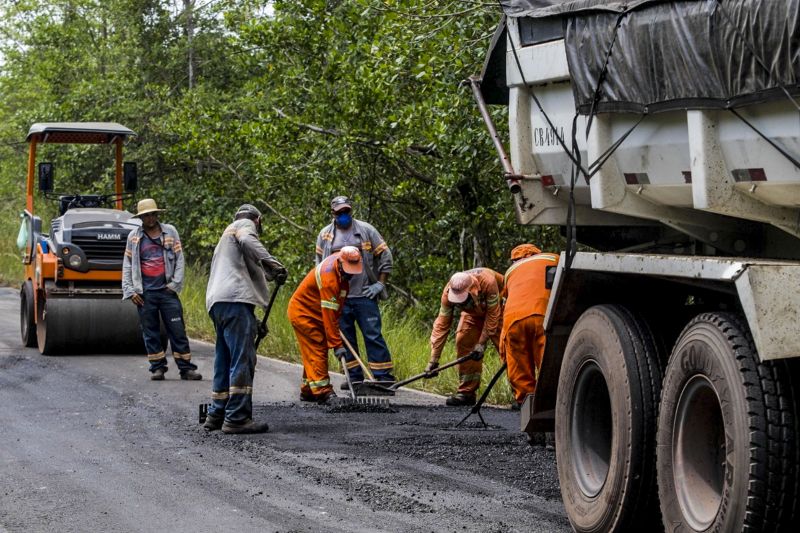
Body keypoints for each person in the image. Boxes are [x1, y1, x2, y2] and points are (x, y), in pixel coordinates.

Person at [203, 204, 288, 434]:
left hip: (218, 303)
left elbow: (250, 271)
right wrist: (274, 263)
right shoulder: (243, 226)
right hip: (234, 302)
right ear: (258, 220)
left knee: (225, 358)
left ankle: (216, 413)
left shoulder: (226, 239)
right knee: (243, 358)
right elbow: (250, 242)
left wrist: (253, 322)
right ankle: (237, 417)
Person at [315, 195, 395, 387]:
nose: (344, 215)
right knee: (346, 337)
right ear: (332, 213)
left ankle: (383, 376)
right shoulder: (326, 235)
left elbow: (386, 256)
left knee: (372, 334)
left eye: (347, 211)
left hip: (364, 294)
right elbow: (318, 265)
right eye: (339, 212)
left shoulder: (366, 230)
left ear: (351, 211)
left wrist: (380, 284)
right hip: (339, 297)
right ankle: (354, 377)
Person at [122, 198, 201, 381]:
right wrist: (130, 291)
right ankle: (157, 368)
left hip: (167, 292)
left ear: (157, 215)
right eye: (146, 215)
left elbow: (180, 259)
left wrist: (174, 285)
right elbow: (127, 264)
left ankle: (186, 368)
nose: (150, 218)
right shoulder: (134, 237)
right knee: (150, 332)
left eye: (153, 214)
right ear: (141, 217)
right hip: (145, 294)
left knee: (177, 329)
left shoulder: (170, 232)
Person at [288, 246, 363, 403]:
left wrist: (335, 332)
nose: (350, 274)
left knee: (313, 352)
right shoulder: (329, 279)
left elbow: (334, 311)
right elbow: (329, 316)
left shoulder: (341, 265)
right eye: (348, 271)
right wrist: (337, 345)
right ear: (340, 263)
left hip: (318, 312)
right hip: (304, 313)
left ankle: (308, 390)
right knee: (318, 347)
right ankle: (323, 392)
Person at [425, 268, 504, 406]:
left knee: (508, 345)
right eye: (458, 302)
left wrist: (481, 344)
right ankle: (466, 393)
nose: (461, 305)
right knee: (464, 340)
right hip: (474, 314)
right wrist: (433, 360)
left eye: (464, 300)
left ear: (472, 291)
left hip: (499, 310)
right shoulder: (448, 291)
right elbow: (442, 325)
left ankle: (521, 394)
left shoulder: (488, 282)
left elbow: (492, 317)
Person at [500, 244, 559, 409]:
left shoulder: (510, 272)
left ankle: (525, 402)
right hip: (542, 316)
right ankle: (550, 401)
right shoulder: (553, 258)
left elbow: (507, 300)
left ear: (515, 259)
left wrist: (504, 350)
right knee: (547, 361)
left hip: (513, 321)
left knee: (519, 364)